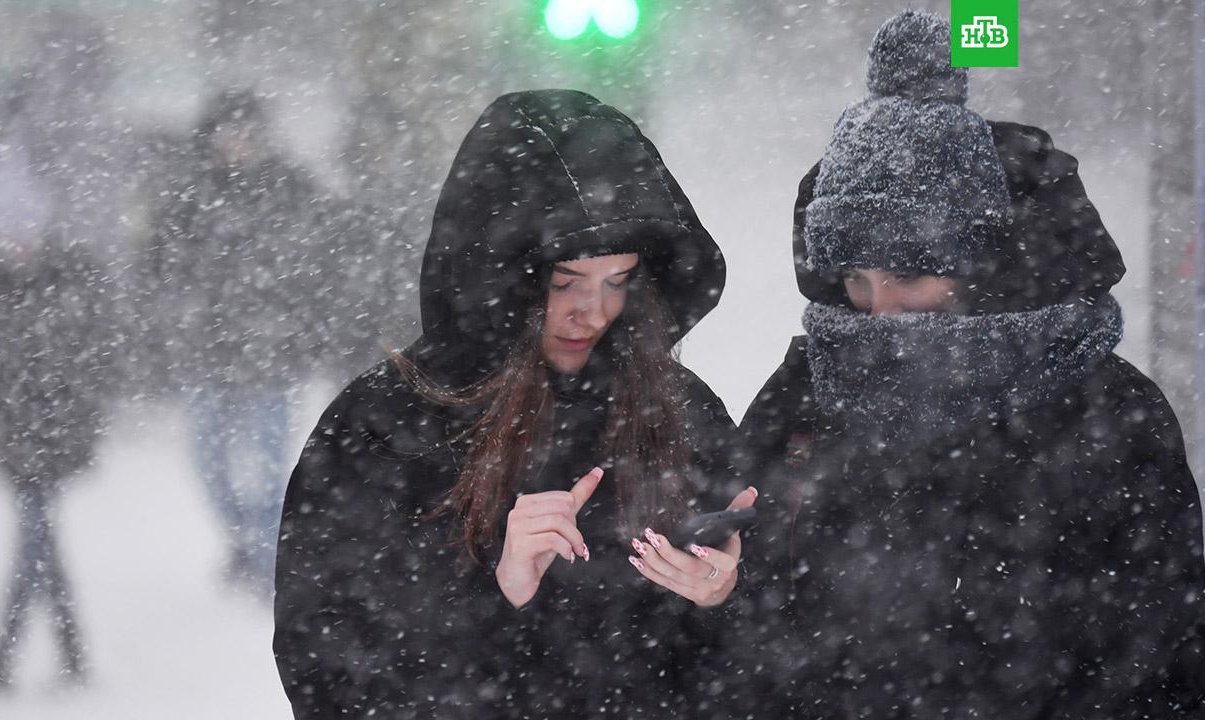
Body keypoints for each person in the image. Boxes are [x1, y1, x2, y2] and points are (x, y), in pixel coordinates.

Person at [733, 11, 1205, 717]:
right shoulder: (805, 393)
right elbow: (744, 624)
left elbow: (1165, 657)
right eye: (856, 278)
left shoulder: (1105, 410)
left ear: (981, 269)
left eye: (907, 276)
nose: (879, 307)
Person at [273, 89, 752, 718]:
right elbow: (329, 668)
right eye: (565, 282)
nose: (595, 311)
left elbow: (772, 659)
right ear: (496, 277)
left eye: (619, 281)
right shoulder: (387, 423)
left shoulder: (678, 410)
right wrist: (498, 597)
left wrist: (724, 597)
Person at [0, 14, 122, 689]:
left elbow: (94, 362)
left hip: (49, 435)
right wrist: (1, 430)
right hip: (19, 438)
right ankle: (55, 651)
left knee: (37, 542)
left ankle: (15, 655)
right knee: (39, 540)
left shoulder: (69, 282)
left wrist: (74, 427)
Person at [152, 88, 324, 597]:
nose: (238, 141)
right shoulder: (188, 197)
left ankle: (264, 558)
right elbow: (161, 270)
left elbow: (319, 268)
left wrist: (299, 325)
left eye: (246, 130)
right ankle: (245, 540)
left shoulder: (291, 189)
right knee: (209, 465)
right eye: (229, 130)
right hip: (206, 356)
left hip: (273, 357)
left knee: (271, 470)